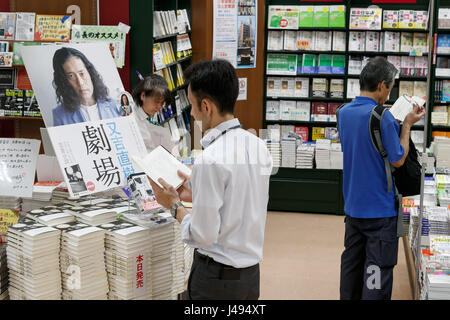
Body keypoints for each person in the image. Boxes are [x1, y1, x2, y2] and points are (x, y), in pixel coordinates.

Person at [149, 59, 273, 300]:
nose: (192, 113)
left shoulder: (210, 159)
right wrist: (197, 188)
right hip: (250, 277)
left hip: (216, 281)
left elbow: (202, 235)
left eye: (192, 106)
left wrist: (174, 205)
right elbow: (239, 197)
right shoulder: (258, 146)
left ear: (206, 106)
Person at [338, 57, 425, 300]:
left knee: (352, 267)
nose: (389, 92)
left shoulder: (343, 113)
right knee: (376, 271)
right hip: (380, 212)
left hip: (353, 208)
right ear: (382, 85)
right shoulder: (382, 117)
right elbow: (398, 159)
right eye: (390, 87)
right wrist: (406, 125)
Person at [52, 47, 121, 126]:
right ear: (64, 82)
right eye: (71, 76)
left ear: (90, 73)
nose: (80, 82)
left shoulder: (116, 106)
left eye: (82, 73)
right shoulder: (59, 115)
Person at [131, 74, 178, 155]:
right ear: (143, 96)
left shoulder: (148, 111)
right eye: (156, 102)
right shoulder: (131, 116)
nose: (159, 107)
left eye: (162, 103)